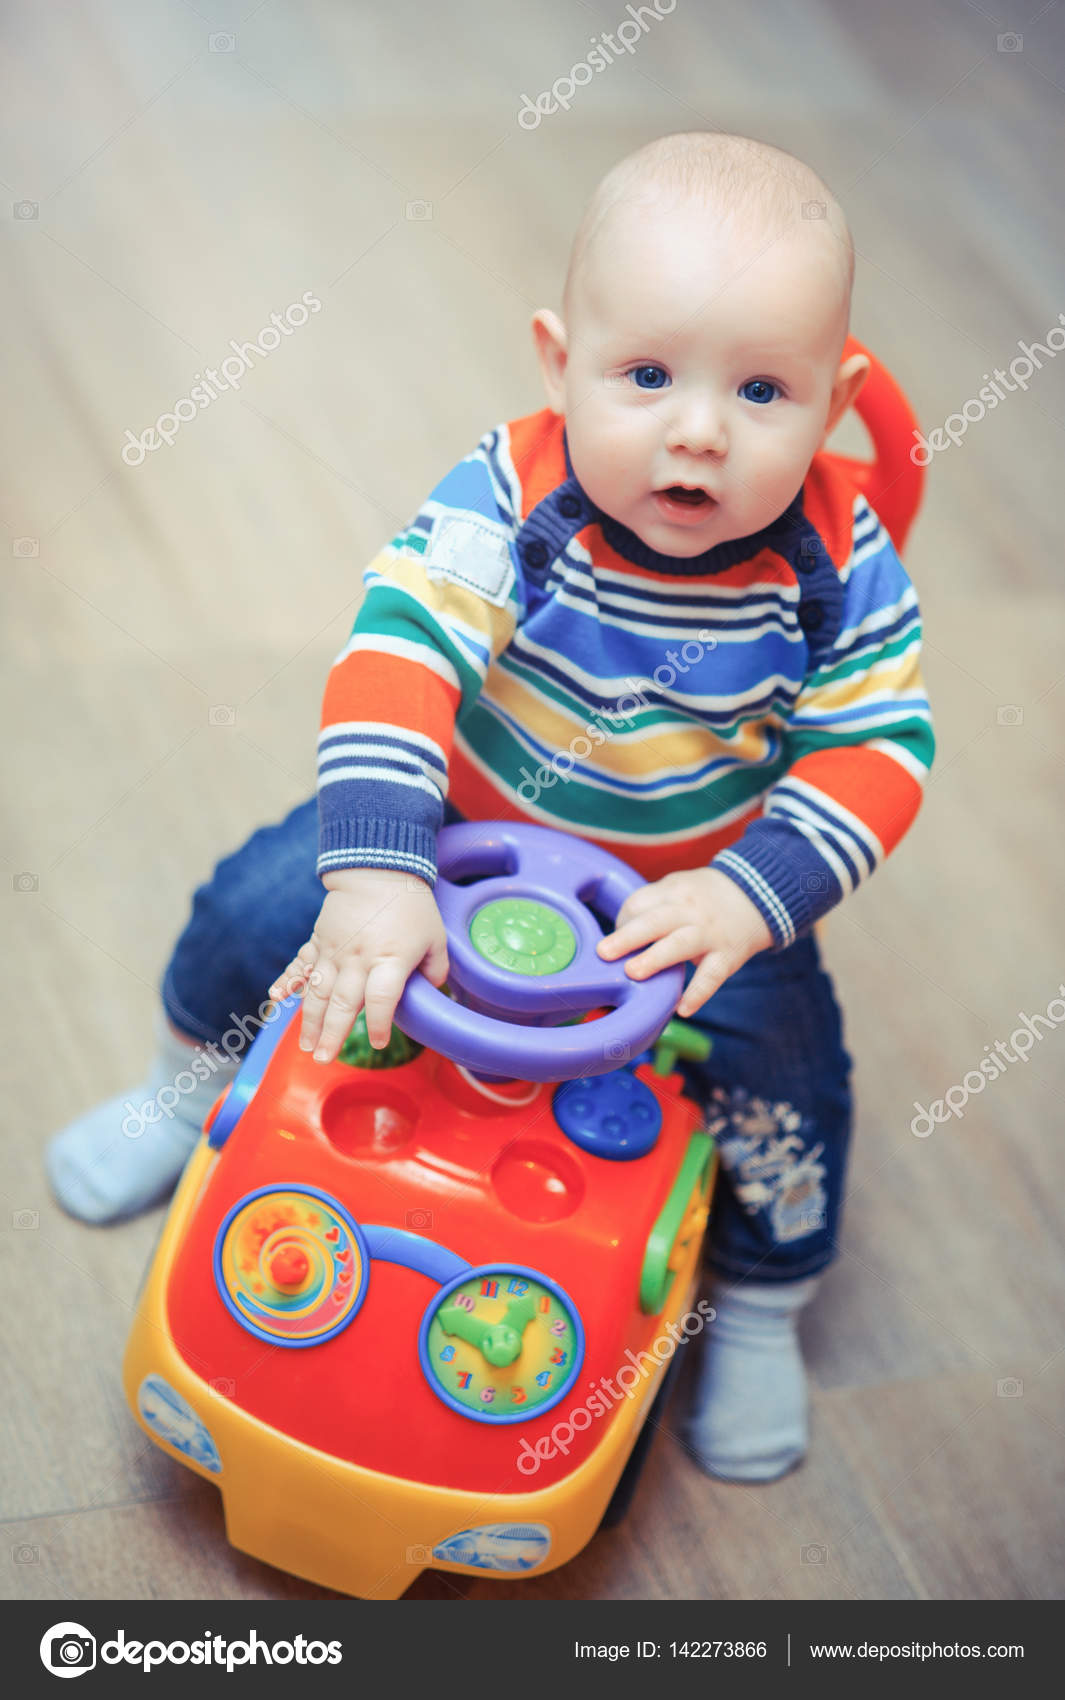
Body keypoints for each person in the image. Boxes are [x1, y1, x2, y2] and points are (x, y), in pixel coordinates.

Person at [47, 130, 934, 1484]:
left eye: (762, 390)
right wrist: (384, 871)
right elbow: (397, 654)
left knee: (785, 1084)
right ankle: (186, 1095)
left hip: (684, 899)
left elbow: (878, 746)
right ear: (556, 361)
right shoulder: (508, 498)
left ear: (835, 398)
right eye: (644, 375)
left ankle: (757, 1305)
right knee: (258, 910)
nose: (696, 429)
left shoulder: (838, 561)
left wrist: (748, 896)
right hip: (446, 839)